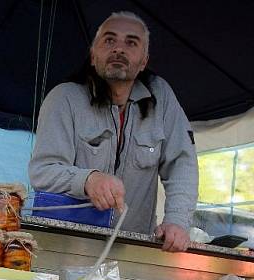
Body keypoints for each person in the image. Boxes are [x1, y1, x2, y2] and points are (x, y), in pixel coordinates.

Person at [29, 11, 198, 252]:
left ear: (143, 61)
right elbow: (42, 172)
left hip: (132, 251)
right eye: (109, 40)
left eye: (131, 42)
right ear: (92, 55)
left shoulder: (161, 97)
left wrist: (177, 221)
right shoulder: (64, 98)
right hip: (63, 248)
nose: (119, 49)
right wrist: (88, 179)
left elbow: (183, 162)